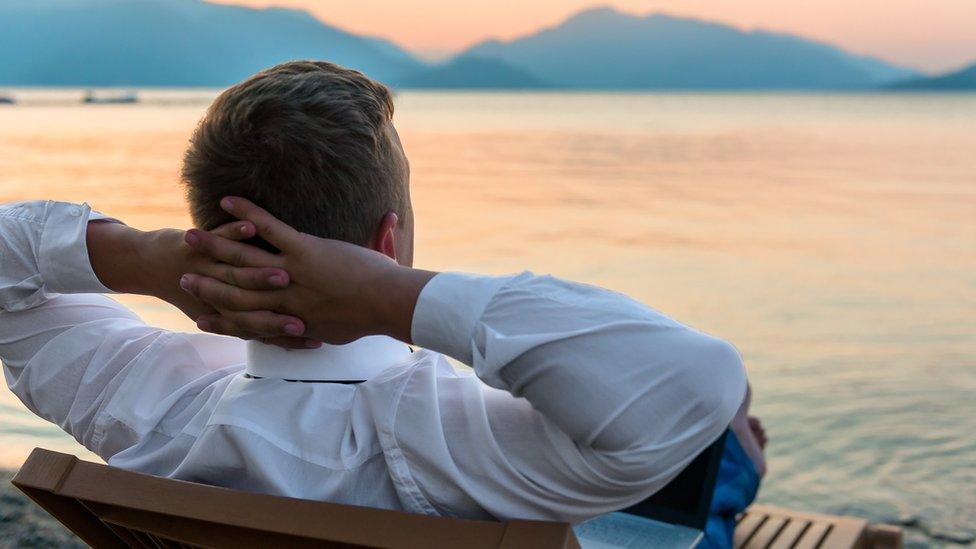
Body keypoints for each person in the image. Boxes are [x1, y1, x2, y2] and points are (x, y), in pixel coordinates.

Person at [0, 60, 746, 526]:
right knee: (725, 449)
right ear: (386, 245)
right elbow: (697, 381)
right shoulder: (456, 452)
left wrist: (148, 257)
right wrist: (401, 299)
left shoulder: (148, 411)